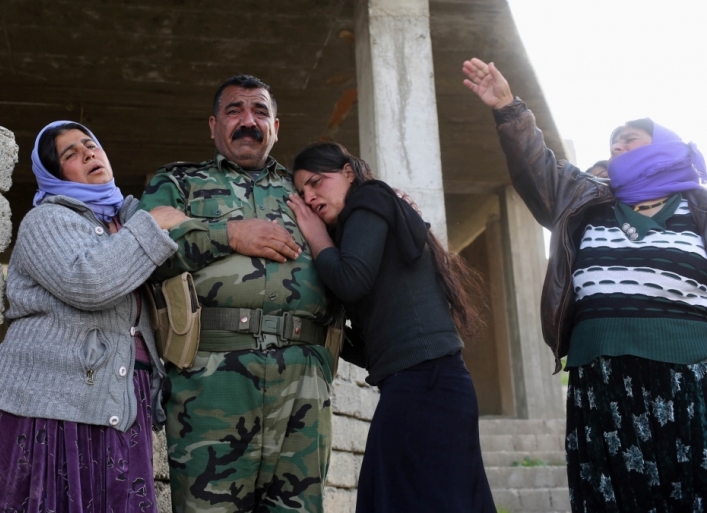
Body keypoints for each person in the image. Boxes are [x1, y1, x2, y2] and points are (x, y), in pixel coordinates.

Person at [463, 57, 707, 511]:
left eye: (629, 139)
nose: (616, 147)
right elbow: (539, 167)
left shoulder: (700, 209)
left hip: (687, 379)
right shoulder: (587, 198)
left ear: (665, 147)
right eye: (611, 143)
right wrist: (509, 109)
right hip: (601, 379)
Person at [138, 75, 333, 513]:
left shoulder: (305, 190)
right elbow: (144, 250)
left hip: (303, 380)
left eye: (260, 111)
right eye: (235, 111)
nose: (248, 121)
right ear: (213, 125)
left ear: (276, 126)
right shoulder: (178, 182)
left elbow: (355, 248)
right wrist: (229, 234)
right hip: (210, 381)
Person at [0, 121, 186, 512]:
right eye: (71, 154)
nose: (88, 154)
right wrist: (151, 226)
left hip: (121, 398)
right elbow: (90, 283)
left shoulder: (121, 221)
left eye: (91, 145)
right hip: (54, 404)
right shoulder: (46, 221)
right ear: (54, 174)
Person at [285, 142, 497, 513]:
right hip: (421, 383)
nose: (310, 197)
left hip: (428, 383)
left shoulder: (371, 199)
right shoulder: (364, 225)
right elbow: (374, 347)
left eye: (318, 183)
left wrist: (314, 233)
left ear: (348, 173)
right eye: (302, 191)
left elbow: (350, 279)